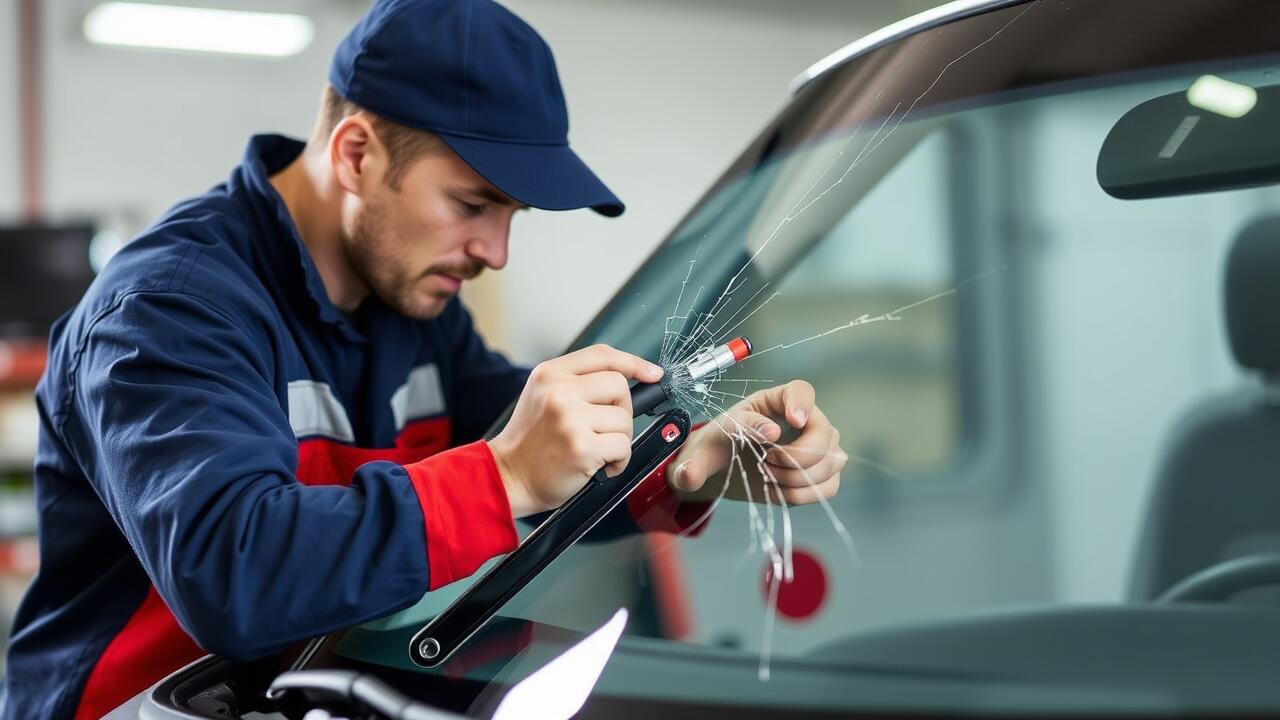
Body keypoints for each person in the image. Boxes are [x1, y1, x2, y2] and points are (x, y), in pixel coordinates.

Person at [1, 0, 846, 717]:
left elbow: (550, 447)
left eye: (511, 213)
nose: (496, 251)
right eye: (473, 203)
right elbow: (235, 573)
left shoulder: (414, 306)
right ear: (357, 153)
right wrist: (502, 476)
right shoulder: (168, 307)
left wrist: (687, 462)